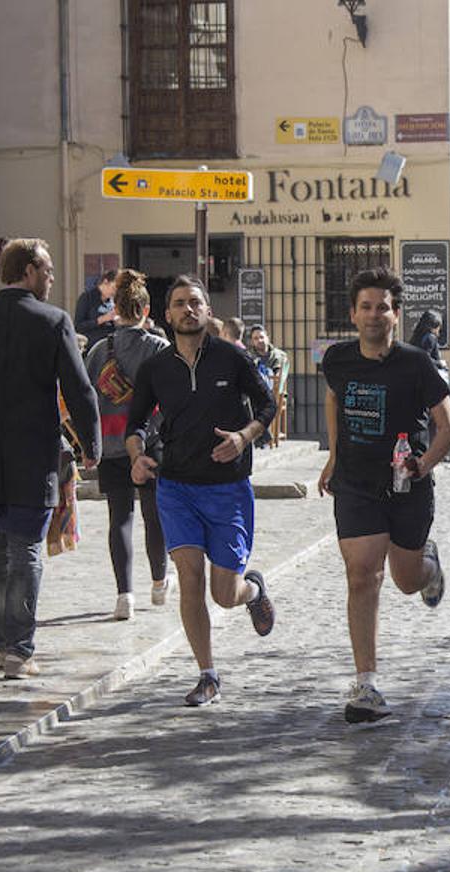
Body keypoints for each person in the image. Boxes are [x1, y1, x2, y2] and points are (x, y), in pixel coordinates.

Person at [126, 275, 278, 707]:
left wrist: (243, 437)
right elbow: (136, 424)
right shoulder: (156, 368)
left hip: (227, 489)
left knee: (224, 594)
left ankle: (253, 591)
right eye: (179, 303)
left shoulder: (232, 357)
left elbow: (268, 405)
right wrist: (136, 456)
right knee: (190, 577)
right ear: (166, 314)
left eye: (195, 302)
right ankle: (207, 675)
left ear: (208, 311)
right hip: (176, 488)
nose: (188, 309)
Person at [318, 267, 450, 724]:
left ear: (396, 314)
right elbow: (334, 399)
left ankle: (428, 565)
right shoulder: (337, 359)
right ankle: (367, 684)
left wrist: (424, 464)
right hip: (356, 484)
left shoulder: (416, 363)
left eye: (383, 307)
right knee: (362, 575)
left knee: (406, 579)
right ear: (353, 314)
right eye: (366, 307)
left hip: (406, 485)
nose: (374, 314)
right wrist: (333, 456)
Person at [0, 238, 101, 679]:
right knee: (26, 551)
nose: (52, 278)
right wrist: (91, 444)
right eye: (48, 270)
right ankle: (19, 649)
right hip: (34, 456)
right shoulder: (53, 321)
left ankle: (2, 642)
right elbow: (79, 388)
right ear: (29, 269)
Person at [84, 269, 172, 621]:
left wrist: (89, 444)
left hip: (111, 442)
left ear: (116, 309)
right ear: (146, 310)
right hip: (150, 443)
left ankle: (124, 595)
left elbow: (87, 398)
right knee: (154, 515)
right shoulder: (159, 348)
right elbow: (170, 401)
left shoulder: (98, 350)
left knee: (119, 518)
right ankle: (159, 581)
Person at [74, 269, 118, 352]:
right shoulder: (87, 298)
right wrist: (101, 319)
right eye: (113, 288)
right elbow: (78, 327)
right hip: (91, 348)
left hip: (109, 347)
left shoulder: (112, 302)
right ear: (105, 282)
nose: (115, 292)